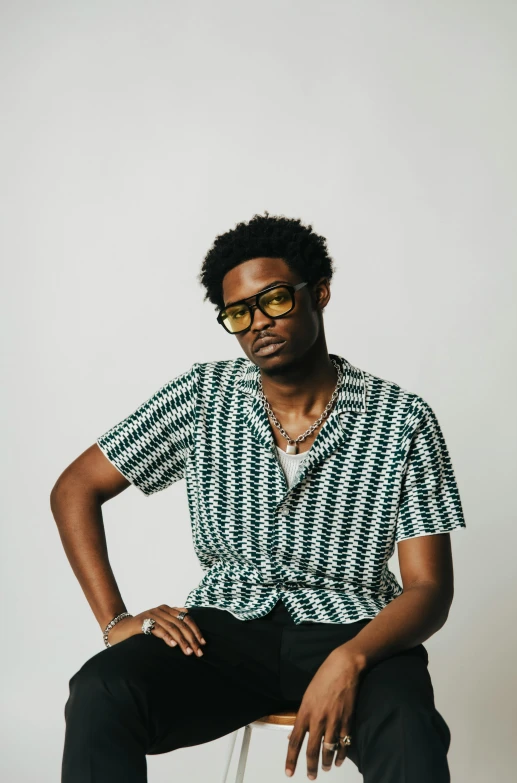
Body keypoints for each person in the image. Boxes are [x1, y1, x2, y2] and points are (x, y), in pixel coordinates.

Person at [51, 212, 466, 782]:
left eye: (273, 300)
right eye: (238, 313)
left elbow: (429, 589)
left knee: (409, 729)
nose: (257, 324)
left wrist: (350, 659)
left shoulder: (401, 420)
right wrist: (114, 620)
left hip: (354, 630)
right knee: (102, 689)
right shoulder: (203, 397)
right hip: (224, 631)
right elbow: (76, 487)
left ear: (319, 293)